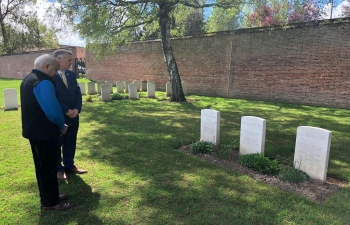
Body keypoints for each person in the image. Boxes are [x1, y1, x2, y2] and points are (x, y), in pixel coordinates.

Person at [20, 54, 75, 210]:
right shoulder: (43, 82)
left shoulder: (28, 79)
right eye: (55, 70)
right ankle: (51, 203)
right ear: (47, 66)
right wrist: (61, 126)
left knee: (42, 167)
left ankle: (49, 197)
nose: (56, 73)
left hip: (34, 132)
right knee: (48, 168)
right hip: (45, 133)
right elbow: (52, 111)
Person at [53, 49, 87, 180]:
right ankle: (59, 169)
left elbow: (77, 93)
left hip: (74, 115)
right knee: (57, 143)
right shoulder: (51, 76)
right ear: (59, 60)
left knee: (71, 141)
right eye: (69, 60)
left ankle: (69, 165)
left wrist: (77, 109)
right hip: (60, 116)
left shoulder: (71, 75)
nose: (71, 63)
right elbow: (53, 98)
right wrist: (66, 110)